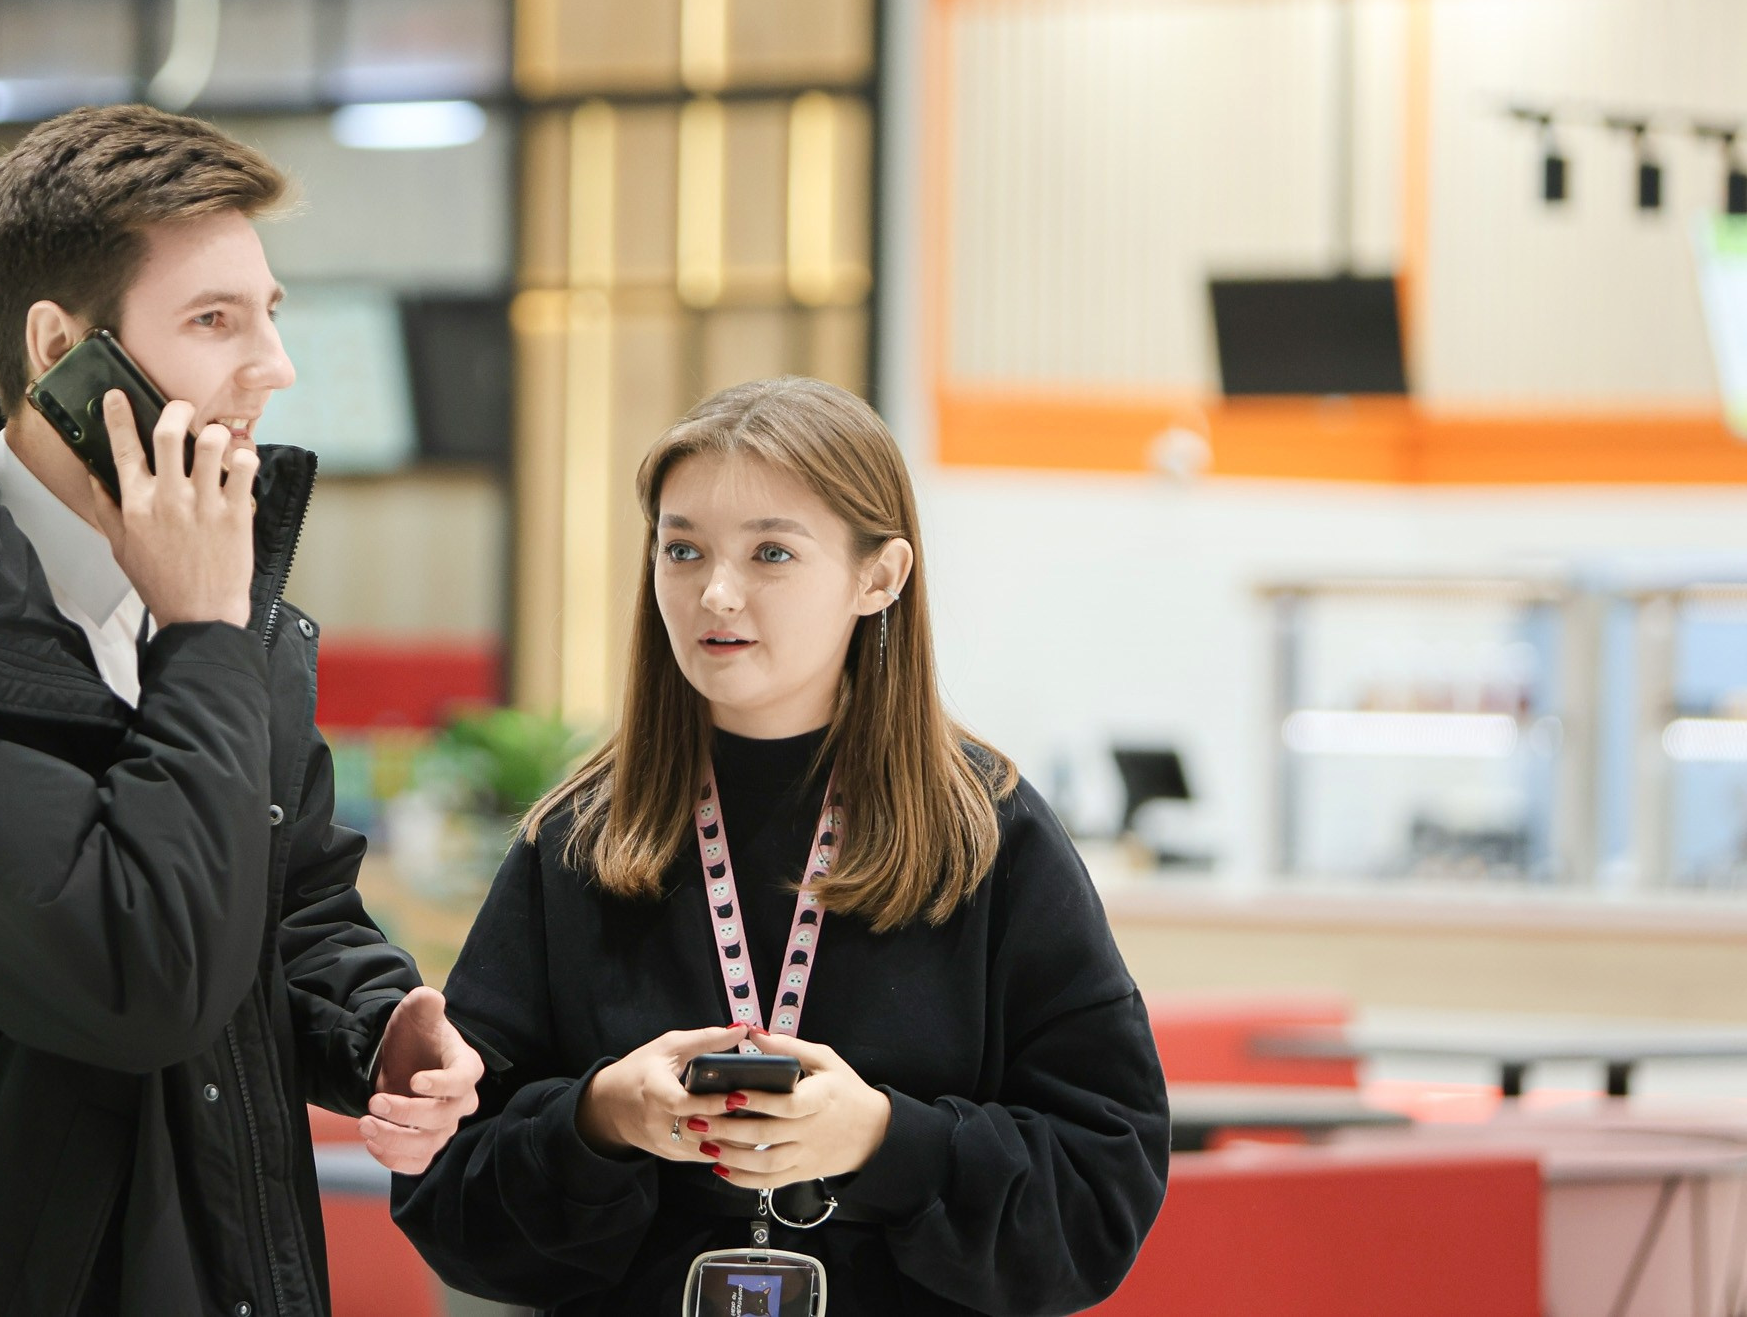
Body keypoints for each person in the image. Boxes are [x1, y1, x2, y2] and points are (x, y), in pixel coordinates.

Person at [0, 104, 484, 1317]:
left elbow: (290, 903)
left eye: (269, 313)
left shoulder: (220, 609)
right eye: (213, 321)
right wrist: (203, 635)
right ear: (60, 348)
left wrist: (373, 1029)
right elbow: (141, 982)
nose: (273, 365)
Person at [392, 378, 1169, 1316]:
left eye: (771, 552)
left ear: (878, 577)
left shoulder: (989, 832)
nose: (716, 591)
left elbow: (1103, 1189)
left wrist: (882, 1141)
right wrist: (602, 1118)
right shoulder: (580, 839)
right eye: (682, 549)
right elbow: (444, 1192)